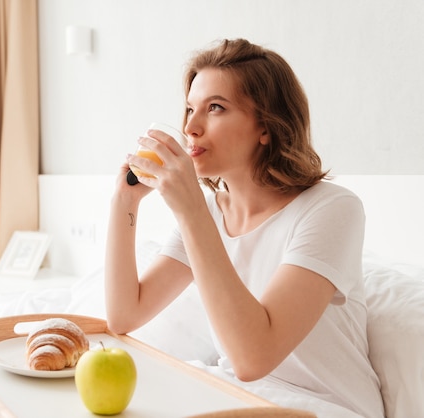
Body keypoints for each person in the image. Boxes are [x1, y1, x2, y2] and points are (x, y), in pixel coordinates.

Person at [104, 39, 384, 418]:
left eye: (215, 108)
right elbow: (124, 315)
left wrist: (190, 212)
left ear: (266, 127)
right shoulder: (208, 212)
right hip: (238, 396)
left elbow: (253, 358)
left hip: (324, 406)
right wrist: (125, 202)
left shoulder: (332, 209)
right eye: (190, 109)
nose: (190, 127)